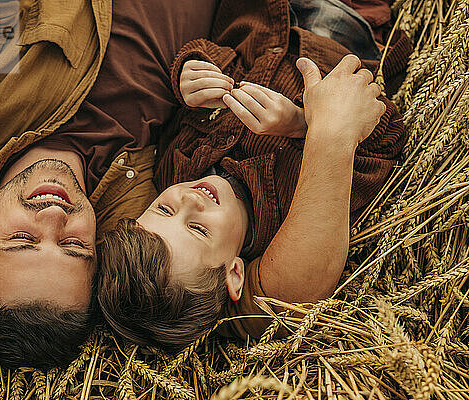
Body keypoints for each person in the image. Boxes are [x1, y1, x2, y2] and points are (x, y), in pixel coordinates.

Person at [0, 0, 220, 368]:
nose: (53, 217)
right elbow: (254, 287)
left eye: (22, 240)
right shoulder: (134, 220)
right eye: (74, 245)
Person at [96, 0, 411, 351]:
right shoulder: (291, 208)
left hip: (258, 14)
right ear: (234, 273)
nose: (188, 200)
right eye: (198, 229)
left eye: (164, 210)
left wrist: (191, 73)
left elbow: (211, 59)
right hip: (342, 24)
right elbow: (383, 138)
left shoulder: (175, 167)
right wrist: (301, 123)